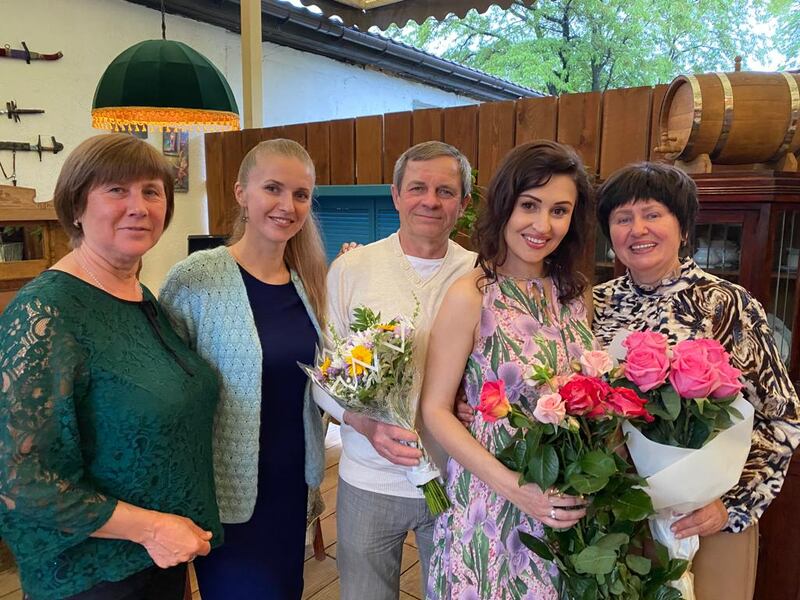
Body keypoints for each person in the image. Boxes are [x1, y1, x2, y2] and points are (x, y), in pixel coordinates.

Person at [0, 133, 221, 600]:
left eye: (151, 191)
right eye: (117, 190)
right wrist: (151, 528)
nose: (138, 206)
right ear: (76, 207)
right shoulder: (47, 312)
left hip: (159, 555)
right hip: (94, 574)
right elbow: (19, 479)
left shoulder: (141, 298)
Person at [592, 162, 800, 600]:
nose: (637, 229)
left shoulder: (725, 305)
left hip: (703, 517)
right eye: (622, 218)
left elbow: (782, 415)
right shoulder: (595, 304)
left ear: (683, 227)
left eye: (652, 214)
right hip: (615, 515)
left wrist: (735, 505)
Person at [420, 140, 594, 599]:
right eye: (529, 206)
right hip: (491, 502)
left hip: (564, 502)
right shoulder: (472, 294)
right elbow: (436, 410)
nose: (543, 225)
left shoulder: (575, 295)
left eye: (560, 210)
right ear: (504, 206)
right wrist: (517, 489)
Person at [159, 139, 327, 599]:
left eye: (300, 194)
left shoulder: (308, 282)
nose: (286, 206)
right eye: (272, 188)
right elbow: (166, 391)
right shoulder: (196, 278)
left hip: (292, 483)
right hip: (226, 492)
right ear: (240, 194)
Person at [312, 141, 476, 600]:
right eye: (418, 187)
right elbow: (324, 375)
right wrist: (362, 421)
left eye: (446, 191)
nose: (430, 200)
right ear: (395, 194)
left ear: (463, 204)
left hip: (454, 481)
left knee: (451, 592)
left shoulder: (480, 274)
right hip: (367, 478)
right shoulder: (351, 268)